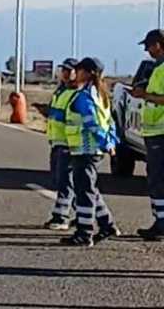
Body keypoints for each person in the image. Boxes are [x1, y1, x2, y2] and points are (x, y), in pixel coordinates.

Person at [60, 58, 122, 247]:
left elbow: (93, 124)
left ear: (87, 73)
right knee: (90, 189)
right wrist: (110, 142)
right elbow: (109, 122)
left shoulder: (84, 97)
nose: (74, 74)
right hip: (91, 149)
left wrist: (106, 142)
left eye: (78, 71)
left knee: (84, 191)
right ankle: (107, 224)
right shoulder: (100, 94)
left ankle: (84, 233)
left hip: (85, 149)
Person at [126, 29, 164, 241]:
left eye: (148, 46)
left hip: (161, 132)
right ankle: (159, 222)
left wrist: (145, 95)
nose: (147, 51)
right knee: (156, 179)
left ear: (158, 44)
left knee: (158, 179)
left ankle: (161, 225)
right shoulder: (158, 69)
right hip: (154, 131)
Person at [42, 59, 80, 230]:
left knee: (65, 181)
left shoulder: (76, 92)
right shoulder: (61, 91)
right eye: (63, 70)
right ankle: (82, 214)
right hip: (57, 141)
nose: (64, 73)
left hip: (68, 142)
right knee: (60, 180)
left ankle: (61, 217)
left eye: (68, 70)